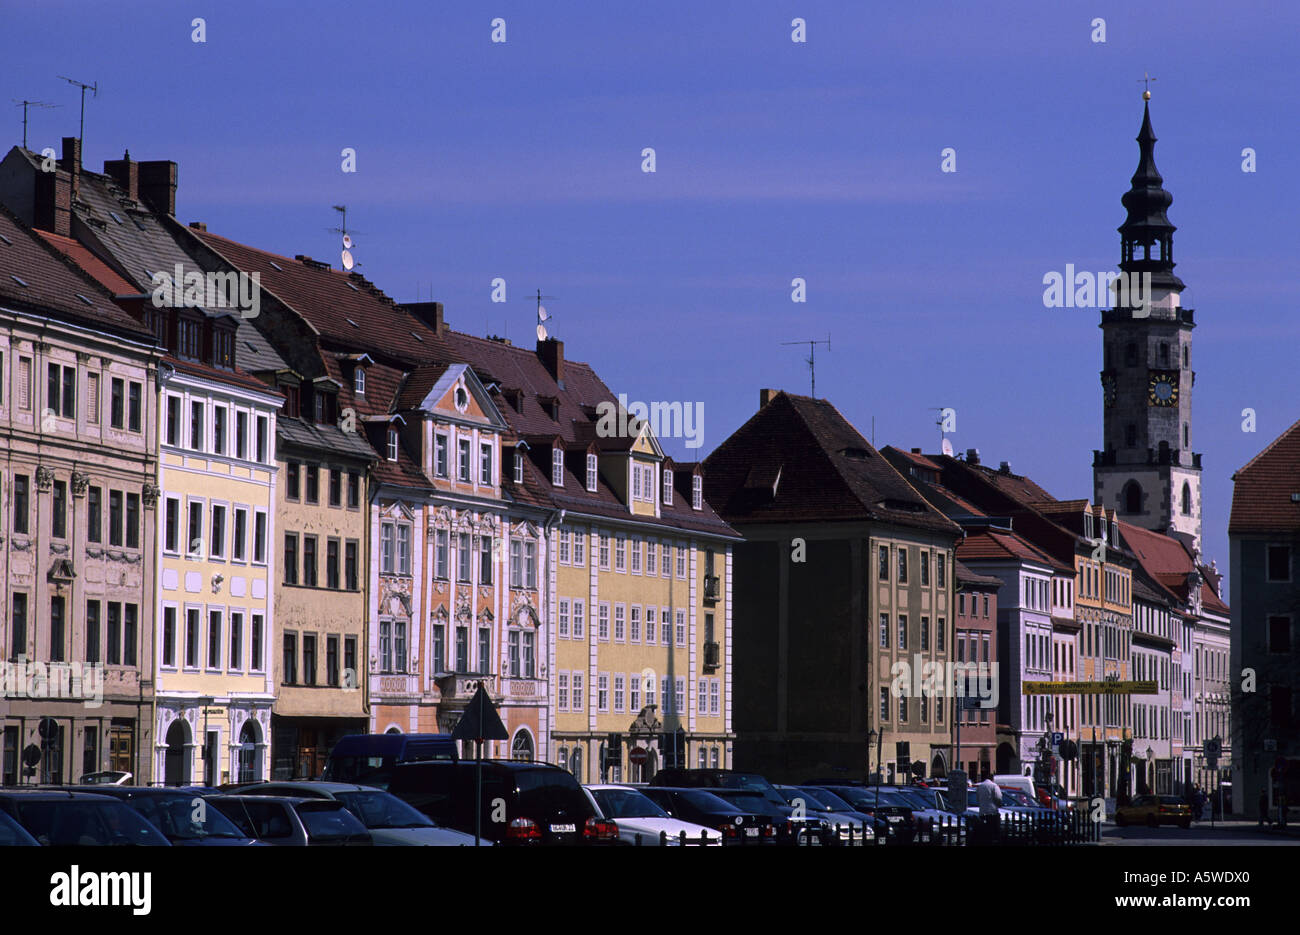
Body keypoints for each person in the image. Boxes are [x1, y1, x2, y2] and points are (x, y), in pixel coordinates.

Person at [976, 772, 1002, 845]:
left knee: (984, 834)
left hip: (982, 812)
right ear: (992, 779)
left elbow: (977, 798)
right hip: (992, 812)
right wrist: (999, 804)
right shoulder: (994, 786)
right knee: (994, 833)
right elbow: (998, 797)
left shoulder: (980, 786)